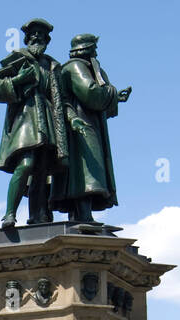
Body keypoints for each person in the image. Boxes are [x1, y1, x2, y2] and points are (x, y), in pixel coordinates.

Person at [0, 18, 68, 227]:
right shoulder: (17, 59)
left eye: (41, 36)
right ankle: (9, 214)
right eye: (33, 35)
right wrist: (18, 80)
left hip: (48, 119)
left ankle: (38, 215)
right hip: (26, 118)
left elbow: (60, 97)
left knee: (42, 171)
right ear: (26, 38)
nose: (37, 38)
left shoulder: (52, 65)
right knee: (26, 164)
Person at [53, 33, 130, 223]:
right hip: (79, 125)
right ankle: (83, 214)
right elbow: (90, 93)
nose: (96, 52)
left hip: (88, 123)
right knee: (84, 170)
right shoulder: (75, 67)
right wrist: (110, 92)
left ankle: (80, 215)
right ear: (85, 49)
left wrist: (115, 98)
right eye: (93, 48)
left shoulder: (87, 67)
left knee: (86, 170)